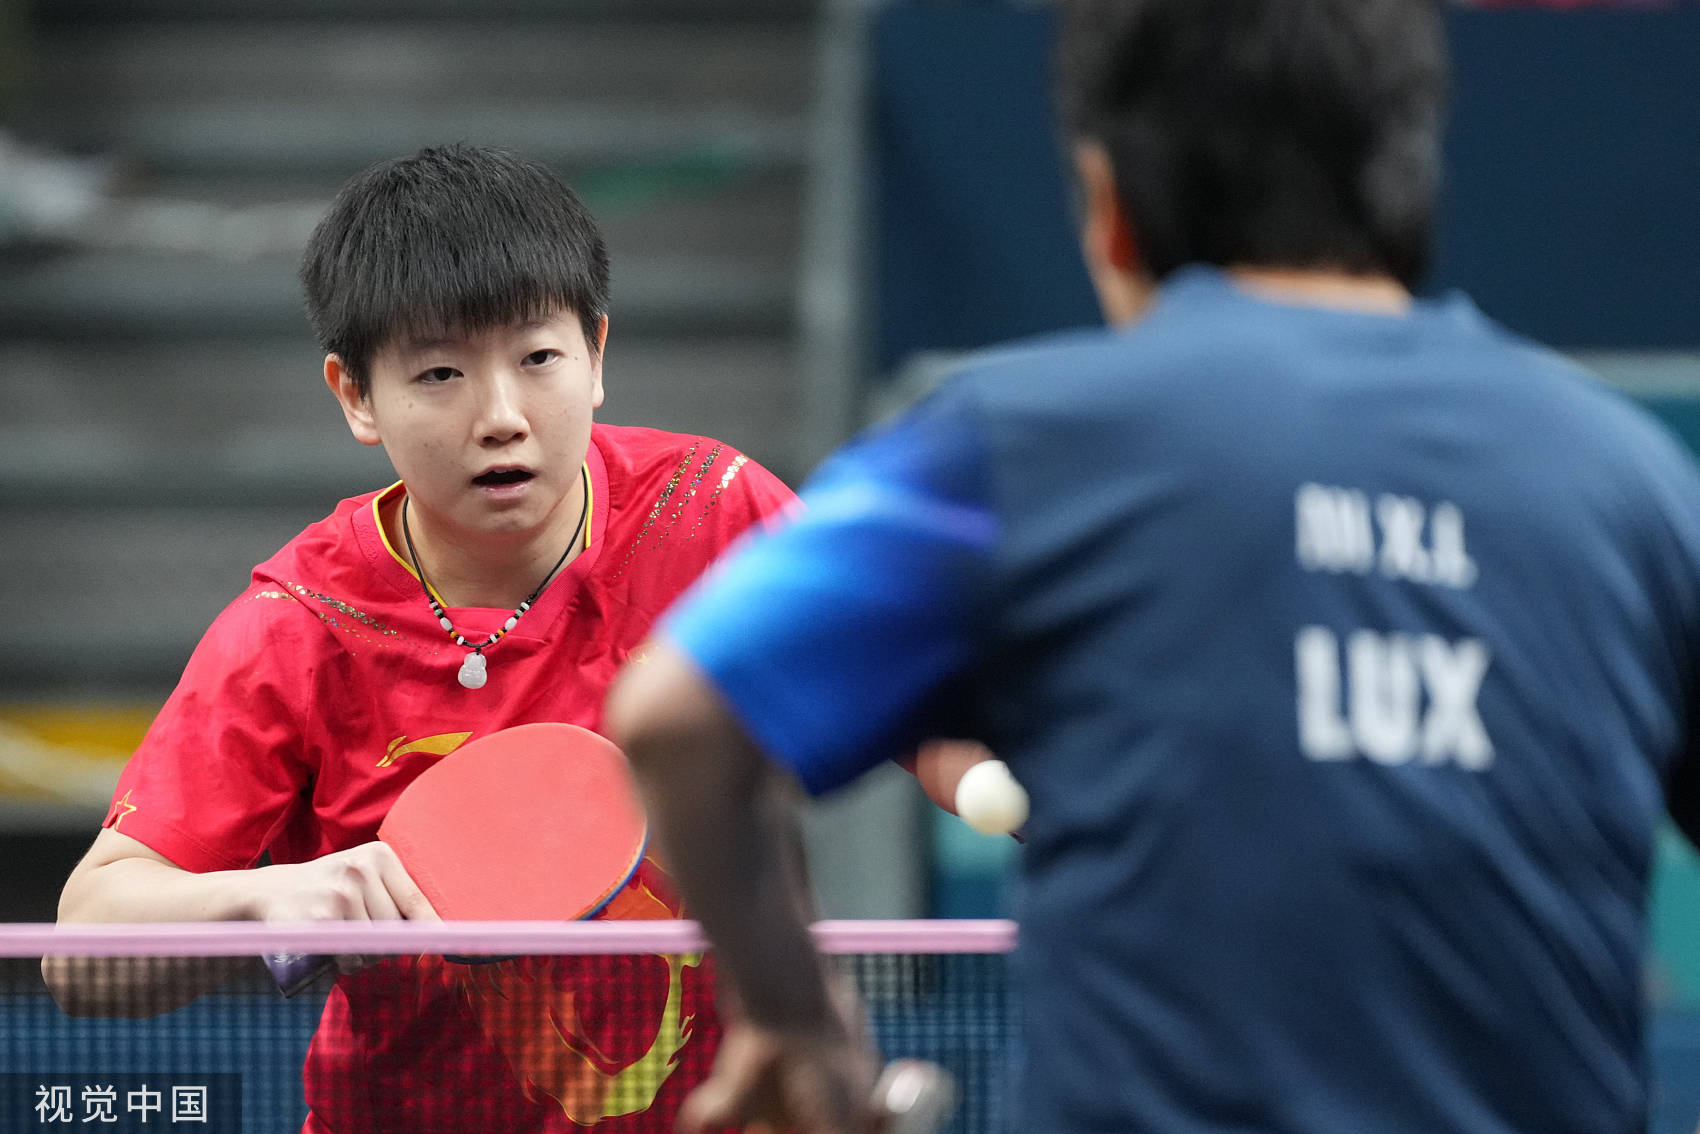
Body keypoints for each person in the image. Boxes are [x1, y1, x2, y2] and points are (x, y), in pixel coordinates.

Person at [606, 2, 1700, 1132]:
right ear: (1409, 174)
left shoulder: (1017, 446)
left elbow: (677, 715)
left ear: (1108, 206)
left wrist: (798, 1027)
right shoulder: (1630, 478)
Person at [42, 144, 796, 1134]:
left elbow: (925, 693)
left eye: (537, 359)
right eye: (438, 372)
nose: (499, 417)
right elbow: (78, 952)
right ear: (356, 396)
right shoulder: (300, 628)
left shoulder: (712, 514)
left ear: (597, 355)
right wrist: (269, 897)